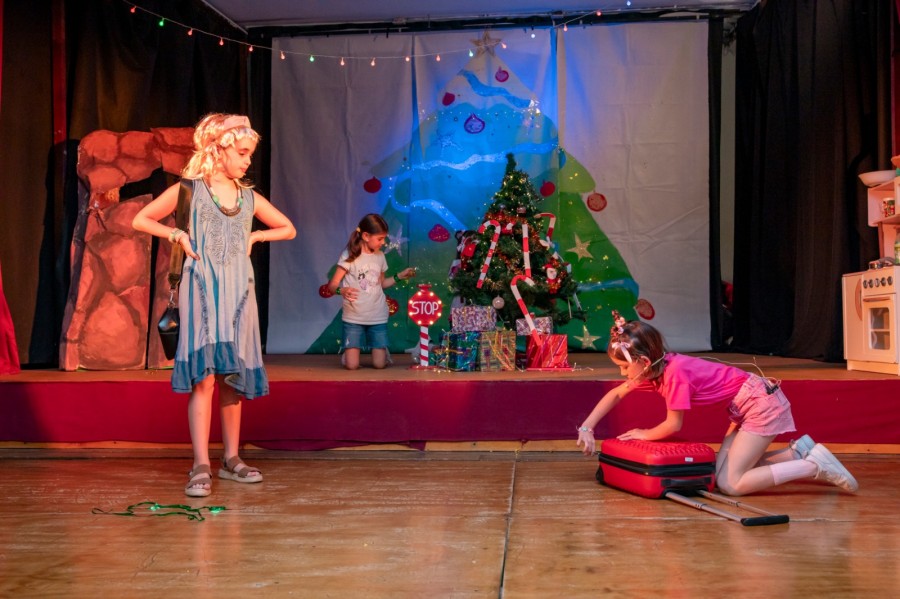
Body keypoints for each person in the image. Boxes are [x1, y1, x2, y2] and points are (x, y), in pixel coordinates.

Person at [133, 113, 296, 497]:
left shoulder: (248, 197)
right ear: (219, 149)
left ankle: (232, 459)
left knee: (231, 379)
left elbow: (288, 228)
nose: (248, 160)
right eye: (242, 152)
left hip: (239, 293)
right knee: (204, 378)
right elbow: (142, 219)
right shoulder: (189, 190)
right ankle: (200, 464)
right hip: (202, 290)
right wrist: (177, 234)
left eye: (250, 153)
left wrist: (255, 237)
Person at [576, 311, 858, 496]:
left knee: (731, 484)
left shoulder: (674, 375)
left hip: (760, 404)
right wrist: (587, 427)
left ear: (644, 361)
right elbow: (616, 394)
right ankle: (797, 453)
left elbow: (674, 425)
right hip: (744, 408)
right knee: (719, 474)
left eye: (624, 367)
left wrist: (644, 434)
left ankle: (813, 466)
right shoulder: (654, 371)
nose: (622, 374)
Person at [325, 214, 416, 370]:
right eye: (380, 239)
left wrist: (400, 276)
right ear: (366, 236)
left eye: (384, 238)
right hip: (354, 316)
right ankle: (349, 354)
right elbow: (332, 285)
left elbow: (382, 284)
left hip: (377, 315)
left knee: (379, 365)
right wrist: (342, 290)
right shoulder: (349, 255)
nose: (384, 242)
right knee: (352, 366)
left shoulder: (380, 256)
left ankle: (382, 351)